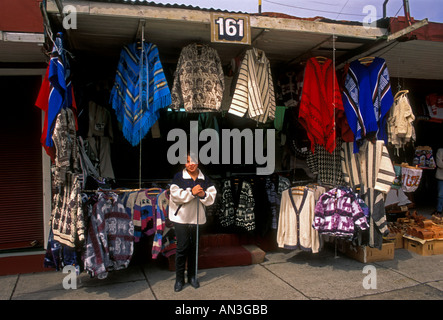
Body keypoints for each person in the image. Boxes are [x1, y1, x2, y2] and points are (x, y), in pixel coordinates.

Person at [168, 153, 217, 292]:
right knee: (182, 247)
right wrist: (192, 192)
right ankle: (179, 279)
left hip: (197, 218)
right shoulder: (178, 177)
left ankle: (192, 276)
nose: (191, 164)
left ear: (198, 162)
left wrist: (203, 195)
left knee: (194, 248)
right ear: (184, 163)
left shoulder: (204, 179)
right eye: (187, 161)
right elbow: (175, 196)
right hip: (181, 217)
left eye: (193, 161)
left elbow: (211, 197)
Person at [435, 148, 443, 216]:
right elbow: (439, 163)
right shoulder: (440, 151)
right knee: (440, 195)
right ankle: (439, 210)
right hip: (441, 176)